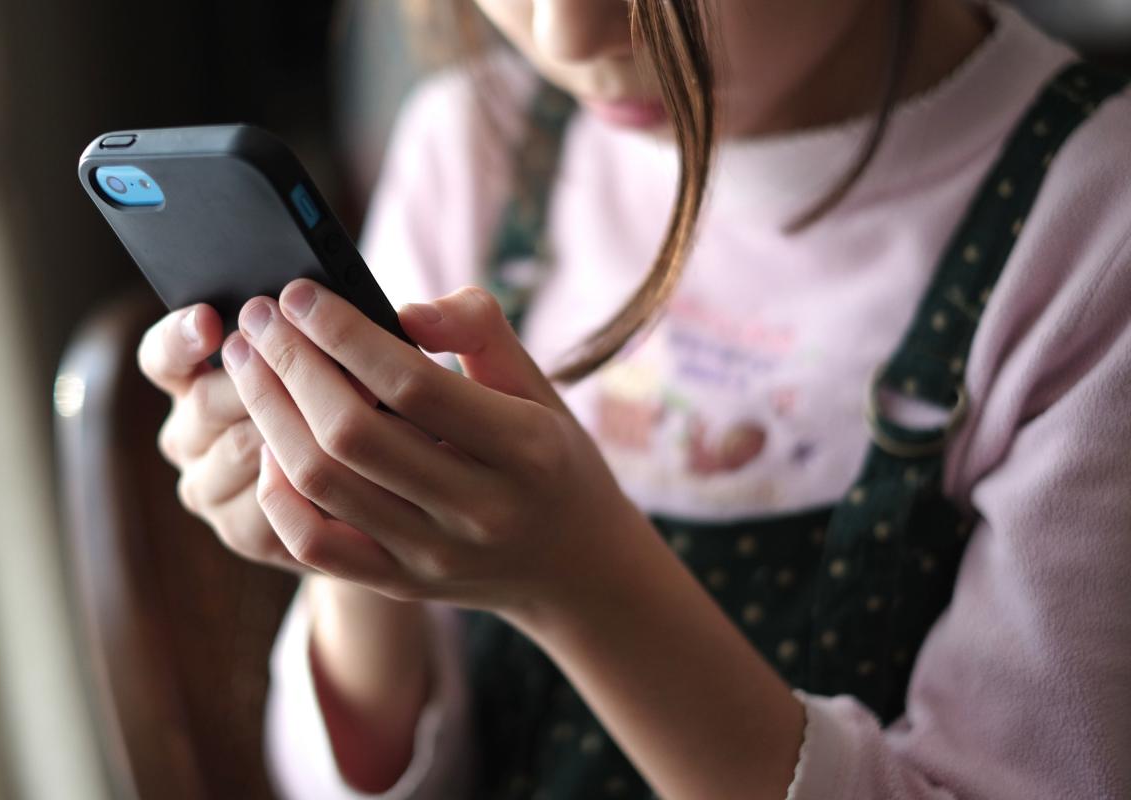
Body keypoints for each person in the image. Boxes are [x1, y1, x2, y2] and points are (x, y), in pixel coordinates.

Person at [135, 0, 1131, 797]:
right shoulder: (475, 150)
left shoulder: (1091, 230)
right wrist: (351, 518)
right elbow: (336, 773)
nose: (569, 32)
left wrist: (580, 584)